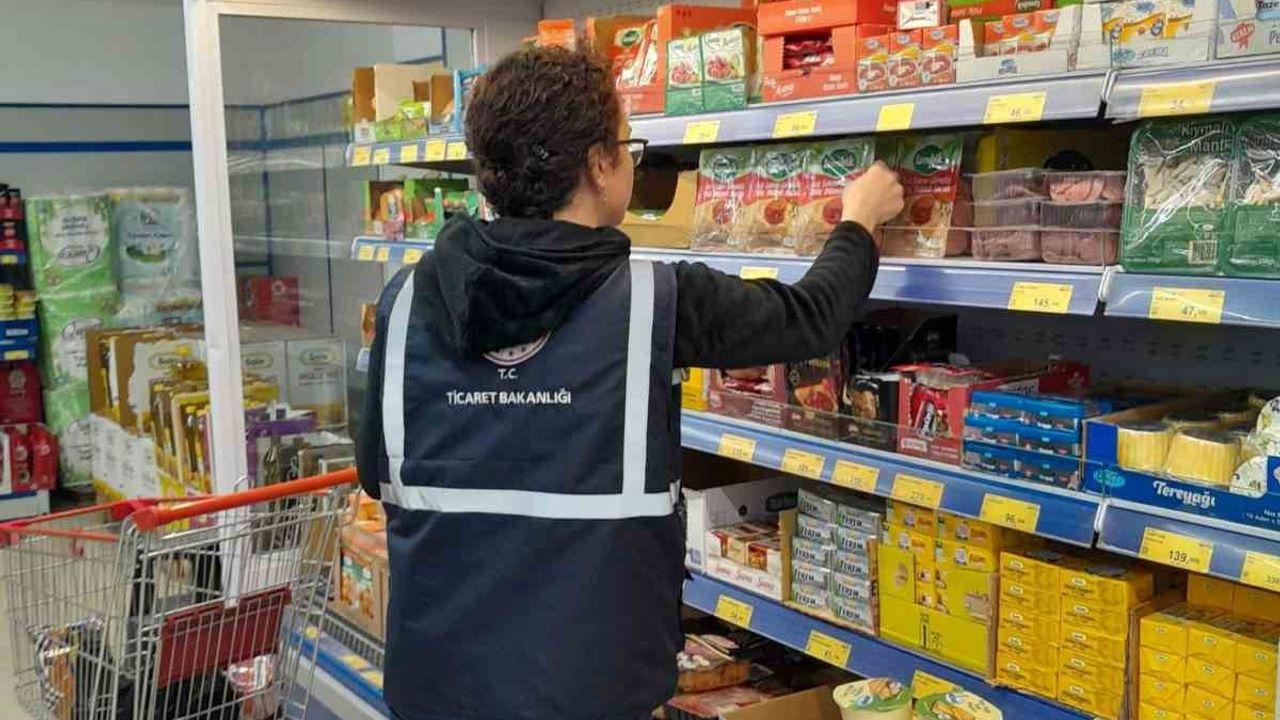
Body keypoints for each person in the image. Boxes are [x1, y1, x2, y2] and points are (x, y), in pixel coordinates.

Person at [355, 46, 903, 720]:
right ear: (598, 164)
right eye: (626, 145)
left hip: (437, 688)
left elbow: (376, 472)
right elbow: (810, 318)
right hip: (592, 690)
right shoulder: (656, 301)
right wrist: (859, 220)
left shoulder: (407, 301)